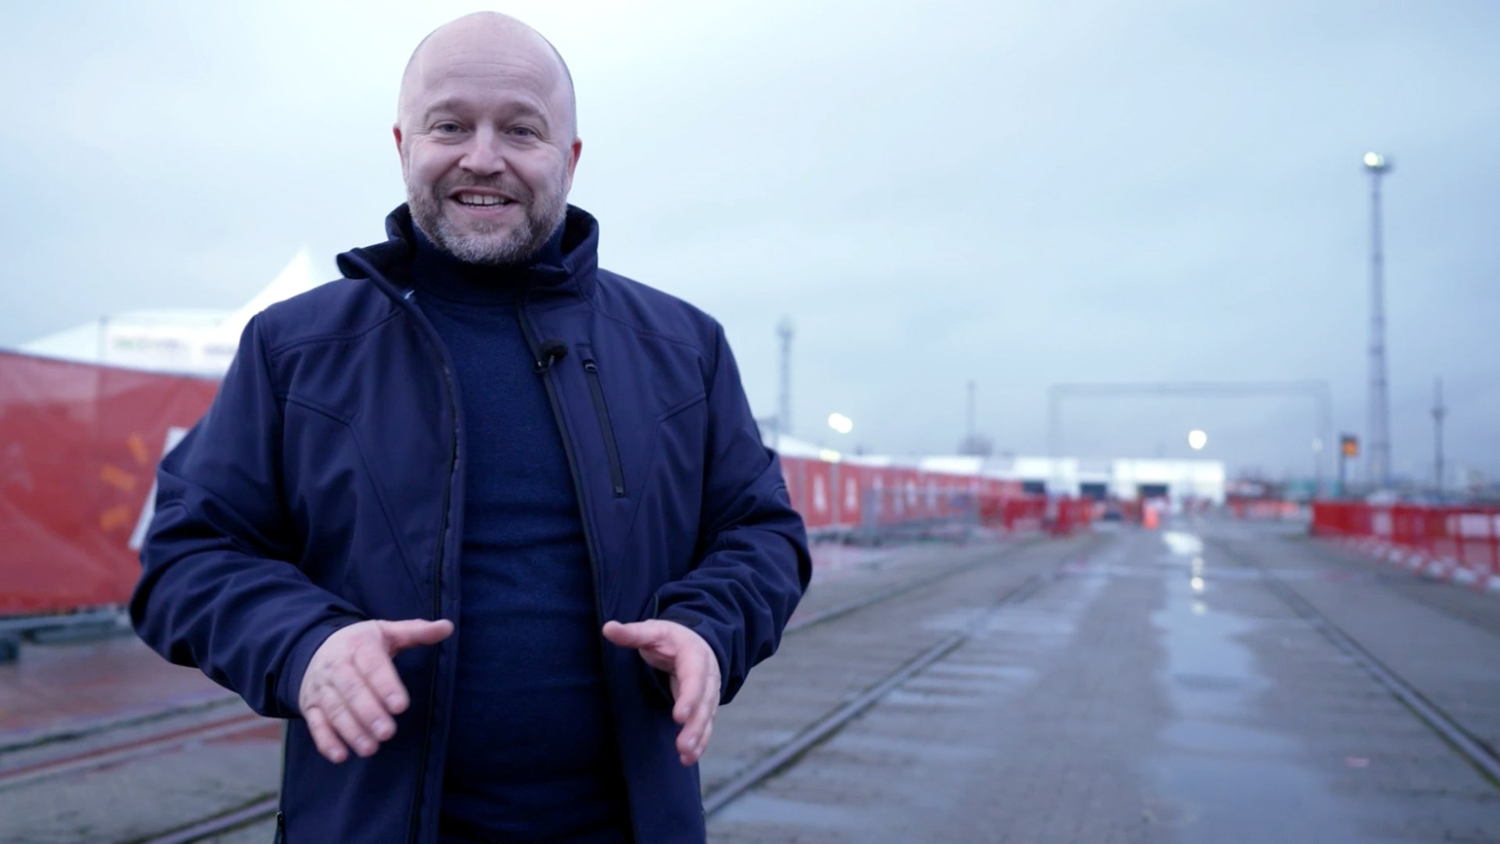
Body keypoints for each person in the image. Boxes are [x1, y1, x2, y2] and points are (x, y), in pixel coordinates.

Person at [130, 12, 809, 843]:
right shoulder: (293, 350)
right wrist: (304, 644)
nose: (482, 157)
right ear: (402, 141)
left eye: (520, 130)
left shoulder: (683, 349)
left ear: (570, 156)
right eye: (450, 124)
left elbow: (761, 531)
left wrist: (711, 628)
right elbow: (187, 557)